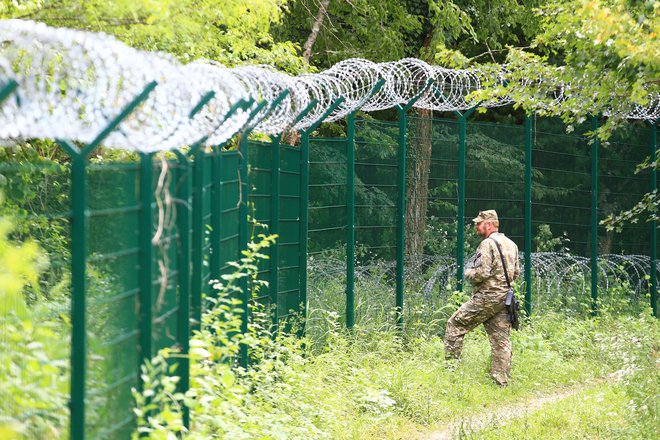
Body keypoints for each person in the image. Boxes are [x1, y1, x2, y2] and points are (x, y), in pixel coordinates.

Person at [443, 209, 520, 386]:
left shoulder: (487, 244)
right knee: (501, 341)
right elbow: (515, 273)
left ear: (489, 224)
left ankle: (451, 372)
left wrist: (467, 272)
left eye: (479, 223)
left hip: (486, 297)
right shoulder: (511, 244)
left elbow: (482, 272)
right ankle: (500, 381)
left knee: (455, 324)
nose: (476, 226)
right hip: (504, 299)